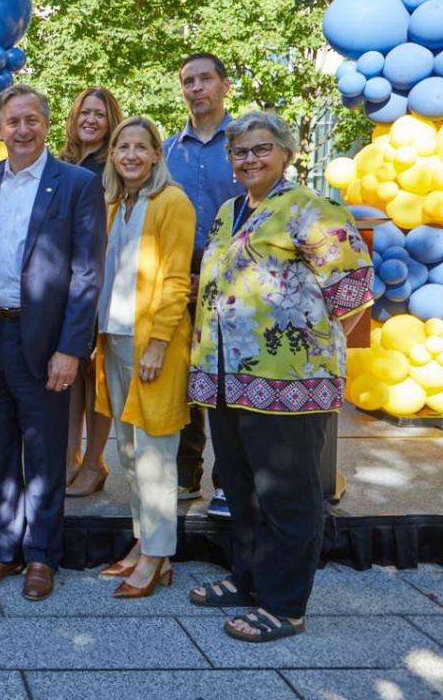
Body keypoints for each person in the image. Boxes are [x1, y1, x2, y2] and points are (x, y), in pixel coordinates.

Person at [186, 111, 373, 642]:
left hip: (290, 383)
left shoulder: (311, 209)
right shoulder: (228, 212)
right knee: (240, 487)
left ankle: (285, 604)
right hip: (228, 379)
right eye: (240, 152)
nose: (249, 159)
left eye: (260, 149)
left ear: (286, 153)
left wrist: (314, 346)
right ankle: (248, 580)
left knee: (286, 494)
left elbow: (354, 289)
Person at [0, 85, 105, 601]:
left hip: (46, 342)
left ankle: (42, 555)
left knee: (45, 455)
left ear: (46, 125)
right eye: (12, 122)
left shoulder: (76, 184)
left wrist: (71, 348)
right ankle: (1, 551)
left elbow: (88, 273)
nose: (21, 130)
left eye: (31, 120)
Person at [92, 117, 195, 598]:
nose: (130, 155)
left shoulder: (170, 202)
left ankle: (157, 556)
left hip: (151, 344)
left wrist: (157, 342)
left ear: (157, 154)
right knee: (132, 454)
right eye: (121, 147)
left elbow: (176, 280)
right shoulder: (117, 203)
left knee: (156, 455)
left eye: (140, 147)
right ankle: (143, 543)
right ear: (112, 155)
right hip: (114, 339)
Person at [163, 53, 238, 517]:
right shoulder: (169, 150)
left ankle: (228, 481)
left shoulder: (247, 141)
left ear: (224, 85)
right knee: (184, 376)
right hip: (177, 271)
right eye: (188, 81)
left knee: (227, 379)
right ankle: (184, 475)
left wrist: (212, 276)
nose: (196, 88)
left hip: (236, 273)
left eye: (205, 79)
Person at [58, 87, 124, 498]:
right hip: (62, 280)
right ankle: (68, 458)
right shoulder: (62, 161)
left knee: (96, 375)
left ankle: (96, 460)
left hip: (102, 275)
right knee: (69, 376)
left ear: (110, 120)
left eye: (99, 114)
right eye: (85, 112)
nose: (91, 120)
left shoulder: (114, 164)